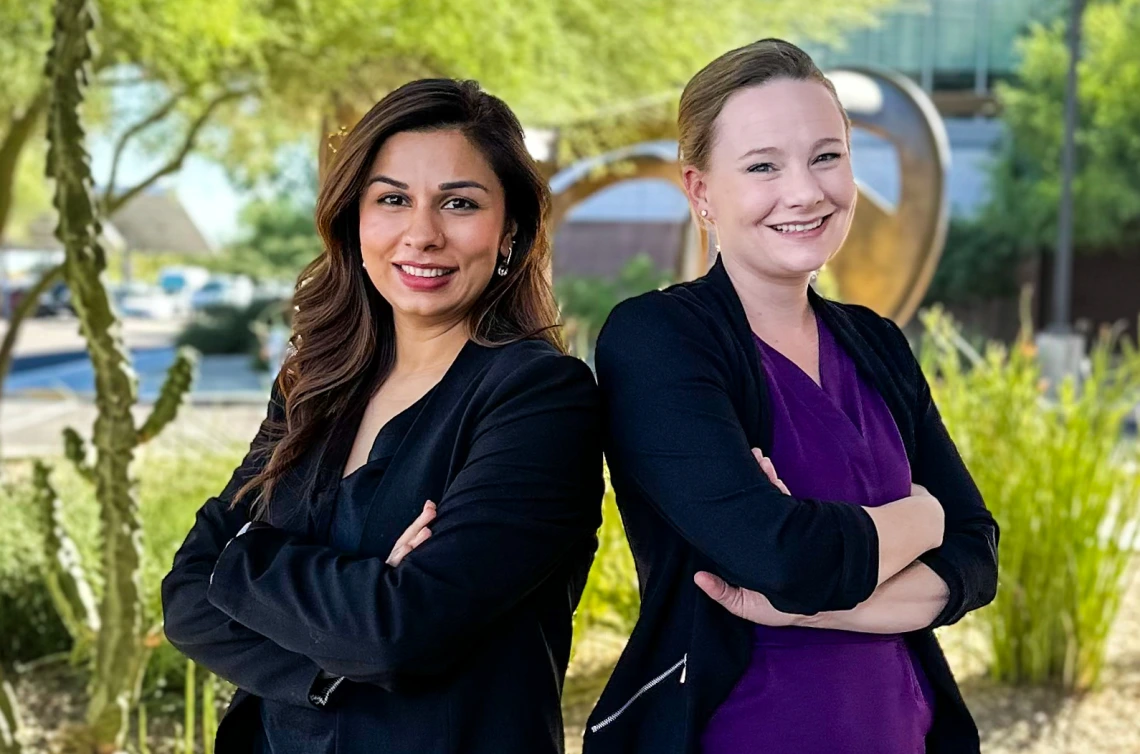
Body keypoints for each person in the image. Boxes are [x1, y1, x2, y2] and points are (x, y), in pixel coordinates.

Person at [162, 78, 603, 754]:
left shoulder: (541, 399)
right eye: (392, 199)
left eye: (459, 203)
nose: (421, 234)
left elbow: (397, 631)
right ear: (355, 219)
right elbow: (188, 600)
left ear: (509, 227)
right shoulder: (316, 383)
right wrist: (349, 627)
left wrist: (241, 561)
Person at [585, 39, 998, 754]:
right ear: (702, 191)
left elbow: (976, 556)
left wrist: (810, 609)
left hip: (904, 733)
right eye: (762, 166)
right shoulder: (656, 340)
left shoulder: (876, 342)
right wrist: (921, 516)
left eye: (827, 156)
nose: (806, 190)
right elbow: (785, 559)